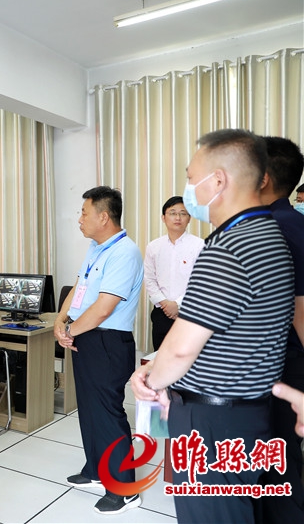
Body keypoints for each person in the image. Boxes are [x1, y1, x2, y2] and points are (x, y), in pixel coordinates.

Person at [131, 129, 294, 524]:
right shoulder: (268, 234)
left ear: (217, 180)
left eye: (191, 177)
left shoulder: (229, 248)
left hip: (212, 422)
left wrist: (150, 379)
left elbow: (181, 348)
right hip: (244, 412)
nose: (189, 190)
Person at [54, 186, 144, 515]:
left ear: (104, 217)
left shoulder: (125, 252)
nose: (79, 219)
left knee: (107, 413)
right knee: (90, 409)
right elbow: (79, 287)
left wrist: (70, 330)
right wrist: (61, 319)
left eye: (84, 213)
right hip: (86, 336)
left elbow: (104, 308)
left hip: (107, 341)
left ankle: (124, 490)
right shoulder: (96, 248)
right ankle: (96, 470)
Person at [257, 136, 304, 523]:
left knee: (276, 455)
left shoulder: (271, 227)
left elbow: (298, 308)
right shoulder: (294, 222)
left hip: (278, 363)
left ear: (263, 178)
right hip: (284, 360)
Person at [143, 197, 203, 351]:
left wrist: (177, 304)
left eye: (183, 213)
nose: (178, 218)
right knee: (160, 358)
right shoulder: (153, 247)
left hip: (190, 313)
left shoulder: (200, 246)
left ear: (189, 218)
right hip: (161, 314)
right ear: (163, 218)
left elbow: (201, 281)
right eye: (173, 213)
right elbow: (149, 279)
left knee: (189, 359)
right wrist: (165, 304)